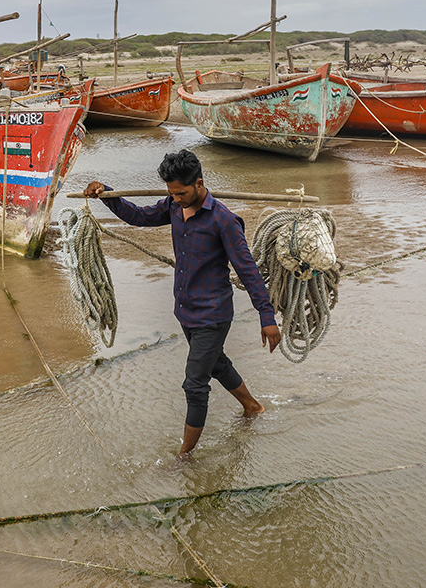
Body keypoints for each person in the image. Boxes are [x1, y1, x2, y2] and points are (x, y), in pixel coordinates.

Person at [83, 149, 281, 458]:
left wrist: (266, 316)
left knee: (194, 384)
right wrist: (107, 194)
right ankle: (252, 406)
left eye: (181, 193)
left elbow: (248, 270)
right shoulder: (174, 207)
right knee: (216, 364)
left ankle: (184, 455)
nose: (176, 199)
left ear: (199, 183)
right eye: (171, 194)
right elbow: (138, 216)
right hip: (185, 310)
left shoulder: (224, 221)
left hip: (213, 314)